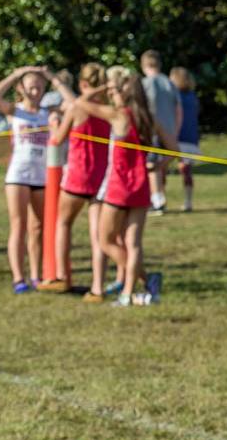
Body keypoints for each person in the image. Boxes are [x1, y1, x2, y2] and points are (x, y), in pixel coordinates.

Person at [74, 69, 175, 306]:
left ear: (122, 92)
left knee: (106, 240)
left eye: (111, 90)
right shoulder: (148, 117)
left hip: (119, 186)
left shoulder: (118, 115)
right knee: (134, 243)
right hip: (141, 187)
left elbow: (81, 101)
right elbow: (173, 147)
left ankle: (146, 279)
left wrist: (101, 88)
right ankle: (128, 294)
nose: (109, 94)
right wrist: (158, 166)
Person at [0, 66, 74, 293]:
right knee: (19, 226)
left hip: (42, 176)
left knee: (38, 228)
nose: (35, 91)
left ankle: (36, 274)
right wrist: (19, 73)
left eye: (39, 87)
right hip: (18, 175)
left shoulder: (49, 112)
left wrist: (52, 78)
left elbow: (73, 103)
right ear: (22, 88)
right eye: (31, 87)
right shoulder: (15, 111)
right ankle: (19, 278)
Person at [38, 63, 112, 300]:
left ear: (82, 84)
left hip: (79, 176)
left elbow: (58, 140)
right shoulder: (108, 110)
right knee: (97, 234)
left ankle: (61, 276)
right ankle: (97, 287)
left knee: (63, 223)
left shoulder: (77, 108)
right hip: (100, 176)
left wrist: (54, 126)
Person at [140, 50, 182, 215]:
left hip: (154, 131)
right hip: (170, 130)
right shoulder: (169, 83)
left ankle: (157, 200)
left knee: (153, 166)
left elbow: (146, 108)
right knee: (160, 167)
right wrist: (175, 130)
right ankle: (158, 196)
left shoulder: (146, 83)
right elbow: (179, 109)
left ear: (144, 65)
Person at [169, 66, 200, 213]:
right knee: (186, 171)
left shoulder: (176, 97)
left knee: (161, 167)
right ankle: (188, 201)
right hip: (191, 138)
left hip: (179, 137)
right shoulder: (192, 97)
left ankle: (158, 197)